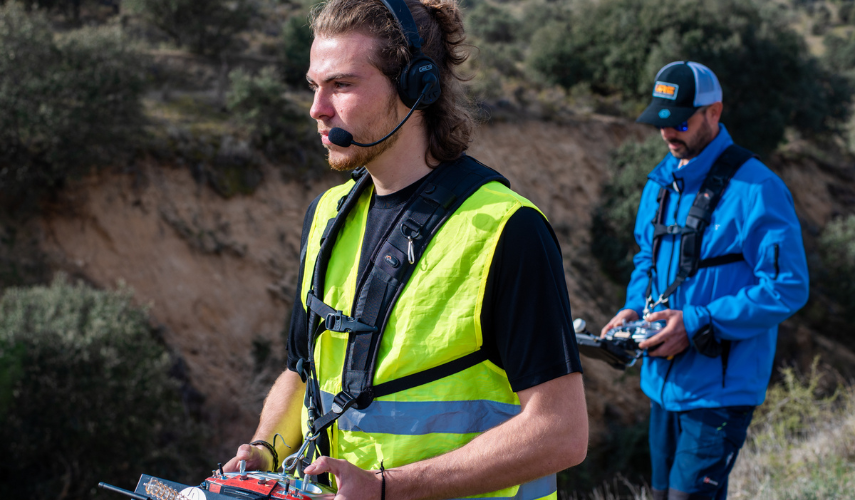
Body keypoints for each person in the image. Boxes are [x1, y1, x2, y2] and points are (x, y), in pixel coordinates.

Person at [223, 1, 589, 500]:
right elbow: (301, 371)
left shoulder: (508, 229)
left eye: (342, 85)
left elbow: (561, 433)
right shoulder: (326, 215)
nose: (317, 108)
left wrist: (385, 488)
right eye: (315, 86)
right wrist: (264, 452)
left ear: (417, 87)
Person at [601, 61, 809, 500]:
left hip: (720, 391)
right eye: (660, 122)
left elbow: (787, 286)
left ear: (714, 113)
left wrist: (696, 323)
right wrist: (634, 309)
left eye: (679, 121)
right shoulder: (660, 181)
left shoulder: (759, 189)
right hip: (662, 385)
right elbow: (647, 258)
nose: (667, 134)